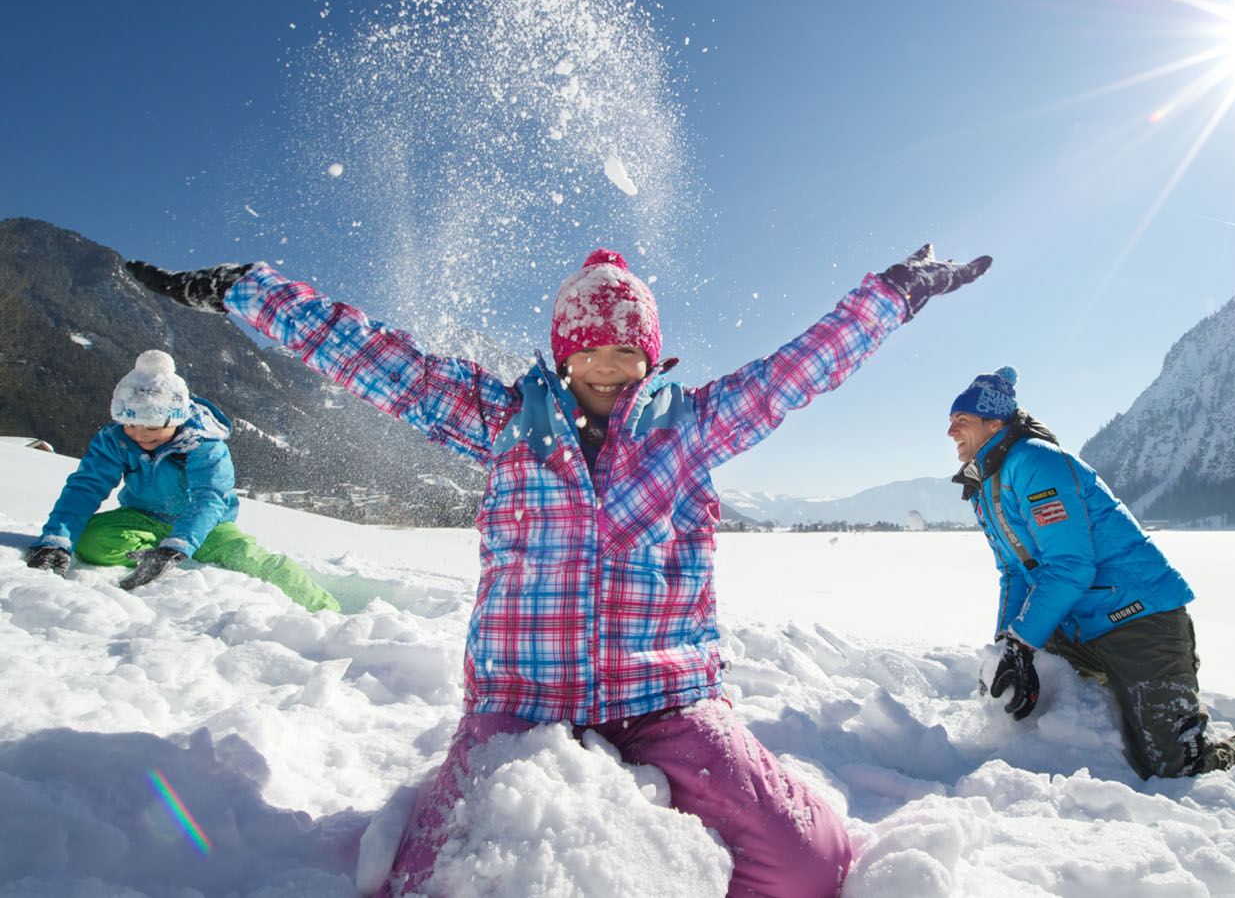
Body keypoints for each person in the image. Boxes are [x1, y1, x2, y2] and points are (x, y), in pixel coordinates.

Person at [125, 243, 991, 897]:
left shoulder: (691, 426)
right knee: (427, 883)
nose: (609, 374)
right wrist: (244, 289)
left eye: (627, 356)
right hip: (522, 705)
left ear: (651, 359)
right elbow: (370, 358)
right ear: (562, 356)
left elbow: (803, 368)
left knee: (810, 866)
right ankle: (440, 796)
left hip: (666, 704)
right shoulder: (500, 419)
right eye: (591, 355)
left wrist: (893, 295)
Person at [946, 366, 1235, 779]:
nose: (952, 432)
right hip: (1081, 626)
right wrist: (1006, 649)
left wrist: (1023, 643)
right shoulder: (985, 486)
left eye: (962, 421)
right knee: (1017, 686)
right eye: (951, 422)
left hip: (1139, 618)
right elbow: (1014, 574)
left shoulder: (1035, 463)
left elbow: (1071, 566)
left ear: (994, 423)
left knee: (1179, 766)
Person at [25, 349, 340, 613]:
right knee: (91, 540)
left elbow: (210, 498)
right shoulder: (114, 440)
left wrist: (177, 547)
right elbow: (85, 487)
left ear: (173, 419)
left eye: (150, 427)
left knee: (255, 561)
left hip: (208, 526)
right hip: (142, 517)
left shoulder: (205, 445)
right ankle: (152, 550)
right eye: (130, 425)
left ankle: (326, 611)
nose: (138, 435)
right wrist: (56, 540)